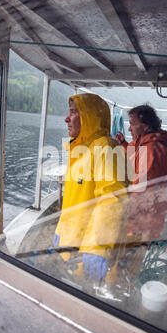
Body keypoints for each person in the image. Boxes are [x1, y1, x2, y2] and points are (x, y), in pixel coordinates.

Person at [53, 93, 128, 284]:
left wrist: (97, 247)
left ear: (89, 117)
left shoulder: (106, 147)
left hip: (86, 255)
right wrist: (61, 232)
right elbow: (75, 200)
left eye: (73, 113)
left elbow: (112, 198)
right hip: (70, 249)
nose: (66, 118)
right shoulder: (81, 151)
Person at [115, 105, 167, 276]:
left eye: (132, 124)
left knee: (128, 265)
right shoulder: (150, 143)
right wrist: (124, 144)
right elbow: (136, 160)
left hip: (141, 220)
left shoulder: (150, 148)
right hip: (148, 217)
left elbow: (140, 189)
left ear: (145, 126)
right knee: (133, 260)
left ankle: (125, 290)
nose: (129, 128)